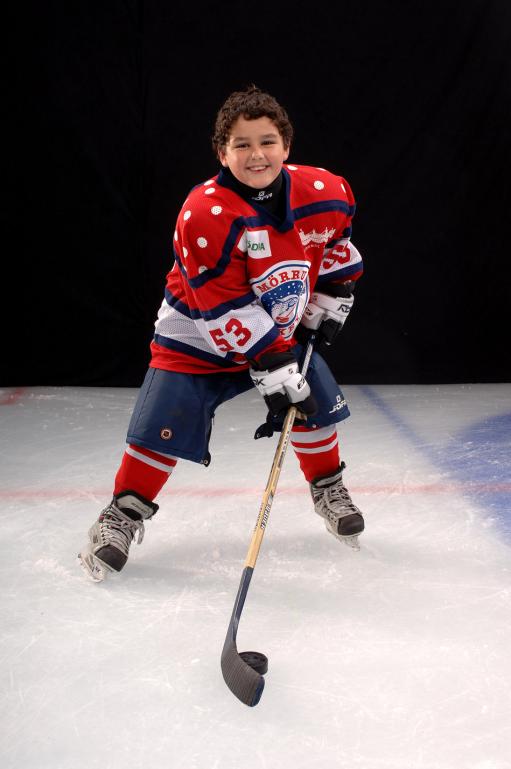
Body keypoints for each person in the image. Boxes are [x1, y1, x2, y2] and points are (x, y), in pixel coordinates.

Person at [78, 85, 365, 582]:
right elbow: (220, 305)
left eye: (268, 141)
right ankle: (122, 514)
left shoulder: (326, 190)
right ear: (221, 152)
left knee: (312, 404)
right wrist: (273, 362)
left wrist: (334, 292)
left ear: (287, 144)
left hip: (276, 330)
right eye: (242, 144)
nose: (257, 154)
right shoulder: (205, 212)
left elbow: (336, 244)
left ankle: (328, 488)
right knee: (162, 426)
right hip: (196, 335)